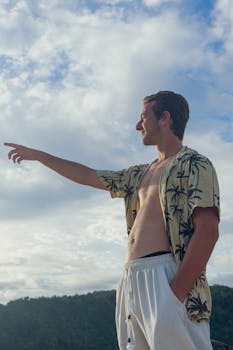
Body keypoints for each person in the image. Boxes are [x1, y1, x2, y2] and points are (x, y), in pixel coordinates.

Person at [4, 90, 220, 349]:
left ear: (164, 118)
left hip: (167, 277)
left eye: (143, 117)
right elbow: (89, 176)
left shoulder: (195, 164)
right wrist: (40, 156)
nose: (137, 125)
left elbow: (208, 231)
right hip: (131, 278)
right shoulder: (139, 174)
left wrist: (176, 294)